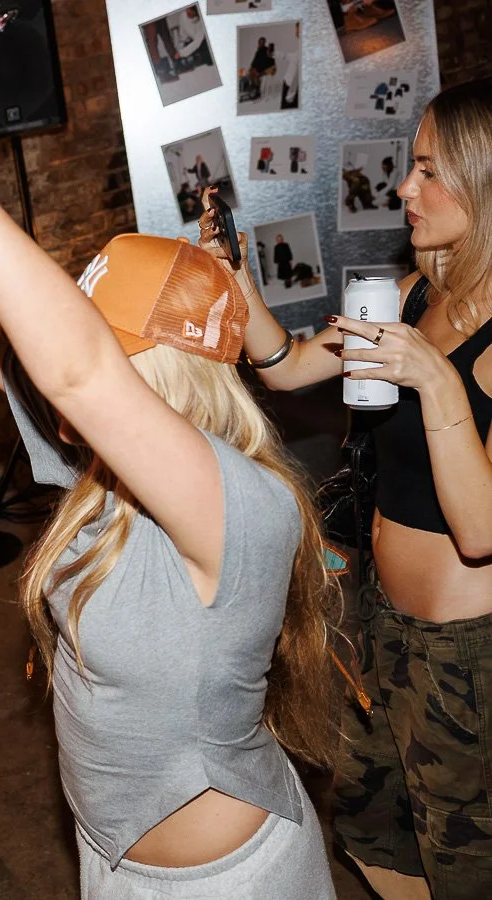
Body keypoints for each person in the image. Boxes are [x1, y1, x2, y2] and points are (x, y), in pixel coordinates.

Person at [0, 3, 340, 895]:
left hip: (228, 881)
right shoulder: (99, 468)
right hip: (110, 860)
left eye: (103, 341)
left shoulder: (244, 505)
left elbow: (77, 375)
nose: (64, 364)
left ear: (165, 368)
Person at [203, 76, 492, 900]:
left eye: (430, 170)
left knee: (464, 861)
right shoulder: (413, 295)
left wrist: (435, 382)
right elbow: (292, 368)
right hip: (383, 625)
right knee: (371, 834)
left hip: (466, 658)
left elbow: (480, 530)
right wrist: (239, 283)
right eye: (411, 166)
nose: (405, 186)